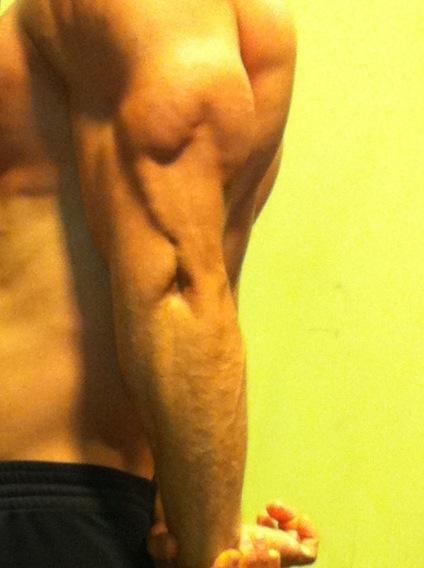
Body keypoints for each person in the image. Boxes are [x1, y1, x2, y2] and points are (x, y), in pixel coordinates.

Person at [0, 0, 317, 566]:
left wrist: (196, 528)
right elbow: (177, 285)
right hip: (35, 507)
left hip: (107, 506)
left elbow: (207, 284)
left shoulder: (259, 32)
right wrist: (211, 548)